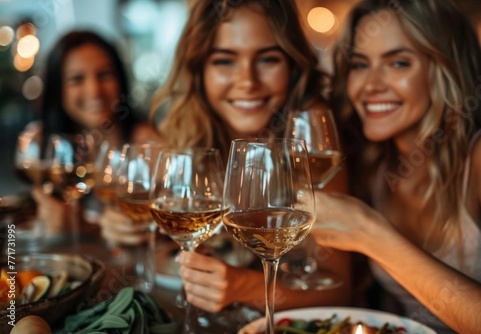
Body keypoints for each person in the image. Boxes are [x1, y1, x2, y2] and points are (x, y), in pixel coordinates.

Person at [99, 0, 352, 315]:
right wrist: (124, 229)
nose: (247, 81)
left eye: (268, 59)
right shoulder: (182, 130)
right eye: (224, 61)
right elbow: (161, 225)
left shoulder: (312, 145)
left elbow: (340, 291)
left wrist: (245, 288)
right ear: (199, 69)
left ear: (293, 65)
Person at [311, 0, 481, 333]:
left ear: (445, 68)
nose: (370, 86)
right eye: (359, 65)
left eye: (398, 63)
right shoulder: (371, 164)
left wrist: (372, 235)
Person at [23, 30, 159, 235]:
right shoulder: (44, 143)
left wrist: (86, 227)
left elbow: (167, 227)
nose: (94, 90)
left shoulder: (149, 145)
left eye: (104, 75)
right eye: (77, 79)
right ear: (58, 89)